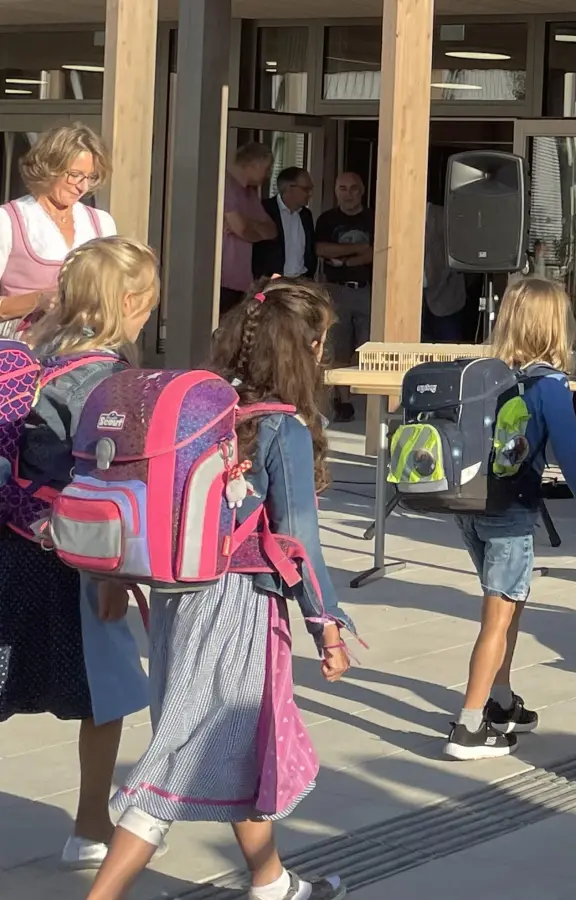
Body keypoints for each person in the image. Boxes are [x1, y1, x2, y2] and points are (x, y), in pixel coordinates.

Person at [87, 278, 355, 900]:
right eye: (320, 344)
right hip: (237, 608)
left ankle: (272, 881)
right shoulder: (280, 428)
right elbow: (299, 541)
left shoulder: (203, 411)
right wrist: (327, 624)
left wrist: (112, 576)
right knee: (180, 752)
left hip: (178, 599)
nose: (322, 356)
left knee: (232, 737)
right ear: (301, 350)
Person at [0, 236, 152, 870]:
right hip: (76, 556)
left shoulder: (25, 353)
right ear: (126, 302)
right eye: (148, 300)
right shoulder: (110, 380)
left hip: (12, 542)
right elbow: (111, 481)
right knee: (105, 691)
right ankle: (90, 825)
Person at [445, 279, 576, 761]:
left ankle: (500, 702)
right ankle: (470, 726)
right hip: (511, 515)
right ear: (556, 328)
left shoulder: (487, 378)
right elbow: (570, 452)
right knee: (498, 616)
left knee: (509, 606)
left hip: (468, 509)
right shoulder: (549, 386)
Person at [0, 123, 117, 339]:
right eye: (75, 175)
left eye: (90, 177)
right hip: (26, 351)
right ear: (50, 167)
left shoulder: (101, 223)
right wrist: (41, 300)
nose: (82, 187)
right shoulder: (8, 220)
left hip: (85, 345)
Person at [314, 172, 376, 423]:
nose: (348, 194)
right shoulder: (327, 219)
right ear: (335, 191)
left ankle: (370, 399)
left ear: (361, 191)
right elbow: (320, 249)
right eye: (342, 188)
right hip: (335, 289)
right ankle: (344, 402)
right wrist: (359, 249)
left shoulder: (373, 217)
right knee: (338, 346)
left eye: (353, 188)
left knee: (368, 347)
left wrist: (346, 259)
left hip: (367, 289)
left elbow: (378, 249)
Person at [221, 143, 278, 319]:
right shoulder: (226, 186)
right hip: (222, 278)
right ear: (254, 165)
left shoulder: (250, 193)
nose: (268, 174)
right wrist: (249, 227)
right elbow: (244, 230)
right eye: (267, 169)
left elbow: (272, 231)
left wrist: (246, 224)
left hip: (243, 281)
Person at [254, 167, 315, 281]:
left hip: (301, 282)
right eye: (306, 189)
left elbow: (310, 250)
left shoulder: (306, 215)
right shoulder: (263, 210)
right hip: (270, 284)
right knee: (258, 299)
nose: (310, 193)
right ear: (289, 188)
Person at [421, 200, 467, 342]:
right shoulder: (398, 217)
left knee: (449, 351)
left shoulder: (444, 216)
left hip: (444, 296)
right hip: (413, 299)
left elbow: (462, 251)